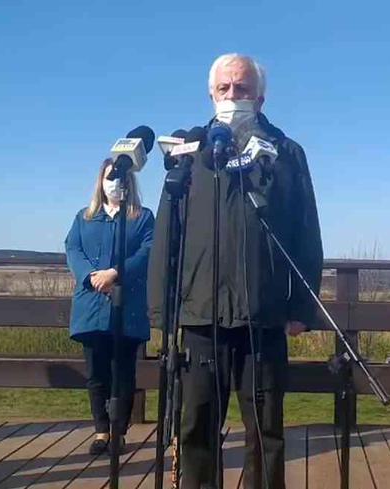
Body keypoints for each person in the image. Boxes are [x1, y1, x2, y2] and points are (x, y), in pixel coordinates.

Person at [148, 53, 323, 489]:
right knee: (195, 430)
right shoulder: (188, 153)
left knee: (266, 433)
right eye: (224, 89)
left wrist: (301, 306)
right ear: (210, 94)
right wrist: (160, 308)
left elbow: (306, 233)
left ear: (260, 97)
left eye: (241, 89)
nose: (232, 96)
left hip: (263, 314)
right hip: (200, 314)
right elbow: (168, 231)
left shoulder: (285, 153)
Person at [65, 158, 155, 455]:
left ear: (129, 184)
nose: (114, 184)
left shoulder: (142, 217)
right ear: (100, 183)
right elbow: (73, 247)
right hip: (91, 305)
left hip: (125, 307)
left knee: (123, 373)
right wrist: (90, 276)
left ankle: (119, 431)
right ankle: (101, 430)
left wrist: (115, 272)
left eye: (119, 179)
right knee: (96, 374)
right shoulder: (85, 217)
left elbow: (148, 249)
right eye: (108, 178)